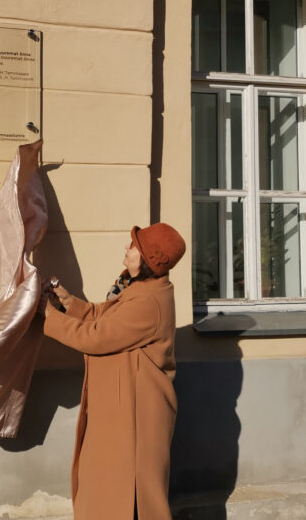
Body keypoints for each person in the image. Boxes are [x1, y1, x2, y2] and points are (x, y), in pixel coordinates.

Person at [40, 222, 186, 520]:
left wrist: (47, 315)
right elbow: (103, 317)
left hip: (135, 416)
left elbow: (95, 337)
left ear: (147, 258)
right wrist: (65, 300)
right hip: (125, 410)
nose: (126, 247)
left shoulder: (147, 301)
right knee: (111, 491)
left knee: (129, 497)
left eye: (133, 245)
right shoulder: (142, 288)